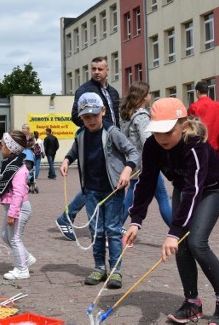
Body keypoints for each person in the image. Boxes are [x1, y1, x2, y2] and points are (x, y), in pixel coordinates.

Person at [125, 98, 219, 325]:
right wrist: (136, 220)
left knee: (196, 242)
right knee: (182, 245)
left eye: (168, 131)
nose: (162, 138)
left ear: (183, 125)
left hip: (210, 189)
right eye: (157, 132)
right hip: (184, 187)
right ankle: (192, 304)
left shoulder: (195, 147)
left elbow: (194, 190)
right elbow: (146, 181)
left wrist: (174, 232)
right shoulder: (152, 145)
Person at [60, 92, 138, 289]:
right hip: (91, 191)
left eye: (94, 115)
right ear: (81, 118)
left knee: (112, 230)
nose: (91, 120)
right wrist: (67, 161)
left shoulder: (112, 132)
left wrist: (127, 170)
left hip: (113, 190)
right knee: (96, 231)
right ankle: (99, 268)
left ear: (103, 111)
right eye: (86, 117)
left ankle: (116, 271)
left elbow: (132, 152)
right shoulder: (80, 135)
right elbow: (74, 151)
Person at [56, 56, 121, 241]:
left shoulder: (113, 92)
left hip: (112, 142)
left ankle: (113, 224)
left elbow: (115, 118)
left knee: (107, 183)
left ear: (107, 70)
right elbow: (75, 116)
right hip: (95, 143)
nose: (97, 72)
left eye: (100, 69)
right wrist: (93, 124)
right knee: (96, 184)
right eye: (94, 69)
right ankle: (68, 217)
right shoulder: (84, 90)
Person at [0, 130, 36, 280]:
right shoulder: (9, 165)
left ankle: (22, 269)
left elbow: (18, 194)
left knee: (14, 238)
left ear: (11, 148)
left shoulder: (19, 169)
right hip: (12, 207)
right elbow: (4, 189)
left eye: (2, 144)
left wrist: (13, 214)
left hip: (19, 208)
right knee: (5, 235)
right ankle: (26, 258)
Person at [119, 81, 172, 226]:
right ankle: (180, 234)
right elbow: (148, 141)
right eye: (149, 93)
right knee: (163, 197)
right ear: (143, 96)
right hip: (146, 164)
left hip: (133, 162)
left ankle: (114, 229)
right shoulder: (141, 116)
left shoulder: (126, 115)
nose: (150, 95)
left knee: (132, 195)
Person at [188, 81, 219, 157]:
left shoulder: (194, 107)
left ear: (197, 92)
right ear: (208, 91)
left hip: (200, 149)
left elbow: (191, 130)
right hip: (216, 149)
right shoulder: (218, 106)